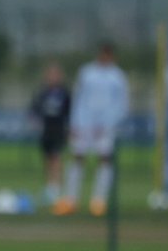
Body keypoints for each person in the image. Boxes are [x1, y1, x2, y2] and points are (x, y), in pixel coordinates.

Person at [53, 42, 129, 217]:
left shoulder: (118, 77)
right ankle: (71, 200)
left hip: (105, 127)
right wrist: (74, 123)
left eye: (108, 55)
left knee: (104, 159)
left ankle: (98, 201)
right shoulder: (87, 72)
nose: (105, 57)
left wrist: (109, 124)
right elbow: (79, 99)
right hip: (84, 124)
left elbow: (121, 105)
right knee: (77, 157)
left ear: (112, 57)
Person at [28, 62, 72, 206]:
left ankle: (56, 189)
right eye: (50, 75)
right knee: (47, 158)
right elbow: (34, 109)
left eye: (55, 75)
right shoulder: (43, 93)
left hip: (59, 129)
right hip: (46, 130)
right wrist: (35, 122)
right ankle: (50, 187)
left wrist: (71, 128)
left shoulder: (64, 93)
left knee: (56, 157)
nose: (52, 78)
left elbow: (70, 111)